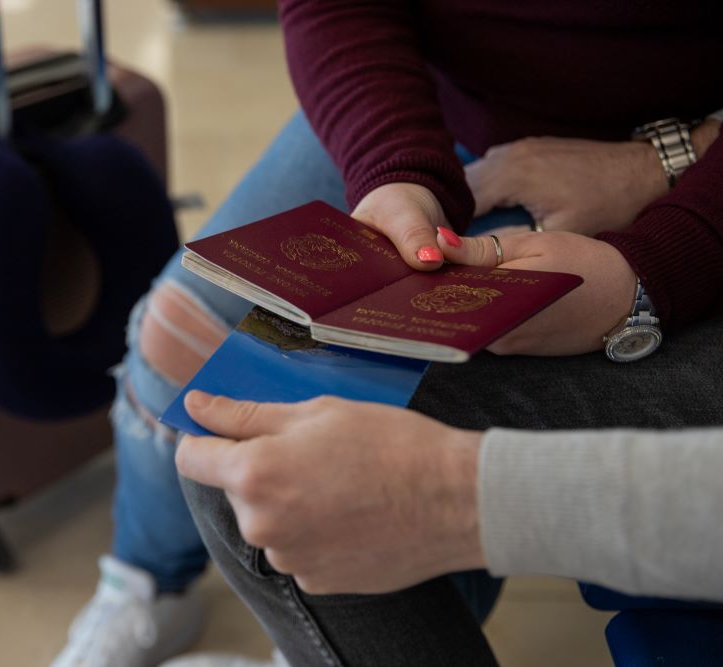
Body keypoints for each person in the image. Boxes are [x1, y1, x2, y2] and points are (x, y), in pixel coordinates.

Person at [49, 0, 723, 664]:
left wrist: (658, 223)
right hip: (429, 101)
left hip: (688, 148)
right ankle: (143, 579)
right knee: (179, 338)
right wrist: (393, 170)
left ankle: (335, 616)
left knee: (346, 415)